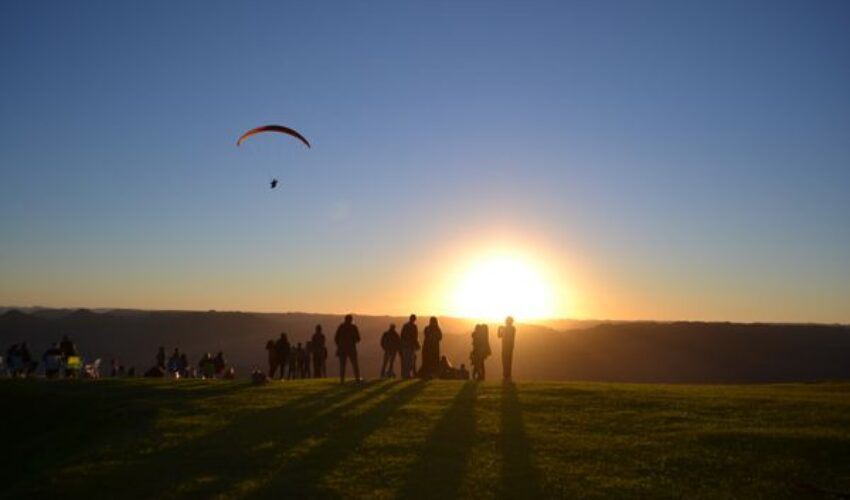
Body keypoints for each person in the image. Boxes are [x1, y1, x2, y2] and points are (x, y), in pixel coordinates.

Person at [334, 314, 361, 383]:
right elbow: (358, 339)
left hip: (342, 349)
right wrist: (352, 341)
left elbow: (336, 338)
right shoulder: (353, 327)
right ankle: (357, 379)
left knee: (342, 365)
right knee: (355, 364)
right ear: (351, 320)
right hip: (351, 349)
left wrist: (340, 345)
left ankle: (342, 380)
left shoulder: (341, 327)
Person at [400, 314, 420, 379]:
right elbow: (415, 337)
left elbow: (402, 335)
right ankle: (408, 374)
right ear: (414, 319)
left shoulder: (405, 326)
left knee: (405, 360)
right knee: (410, 360)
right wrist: (417, 345)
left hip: (405, 346)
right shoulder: (414, 326)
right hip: (411, 346)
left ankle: (405, 374)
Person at [498, 316, 516, 382]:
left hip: (505, 347)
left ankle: (506, 375)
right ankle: (507, 375)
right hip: (510, 347)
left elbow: (499, 336)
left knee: (505, 361)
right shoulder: (513, 328)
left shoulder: (508, 329)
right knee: (509, 361)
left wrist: (500, 328)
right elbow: (500, 336)